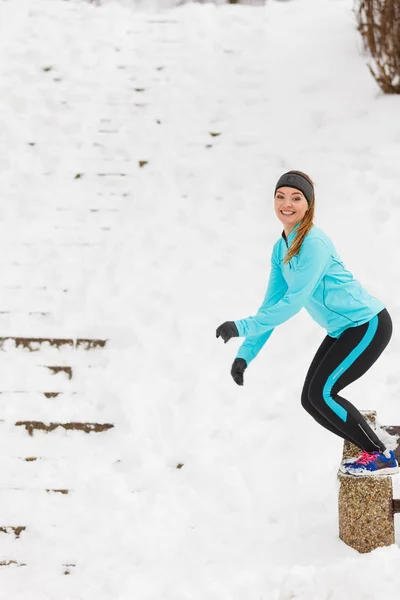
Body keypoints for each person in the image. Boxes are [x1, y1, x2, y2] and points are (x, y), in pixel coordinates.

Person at [216, 170, 398, 476]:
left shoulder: (314, 243)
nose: (287, 204)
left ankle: (379, 456)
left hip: (367, 324)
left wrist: (240, 326)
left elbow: (293, 303)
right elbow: (272, 306)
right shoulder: (281, 247)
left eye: (296, 198)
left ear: (308, 205)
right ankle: (376, 444)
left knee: (322, 394)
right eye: (280, 197)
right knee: (310, 399)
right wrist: (245, 354)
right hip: (343, 330)